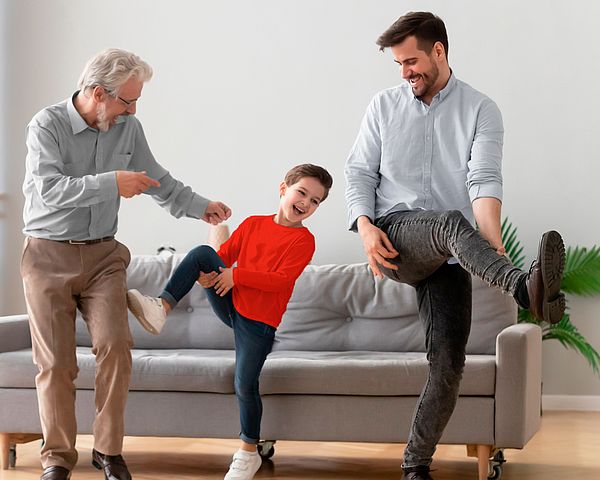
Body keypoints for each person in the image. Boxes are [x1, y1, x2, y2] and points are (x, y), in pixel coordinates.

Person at [344, 12, 565, 480]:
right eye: (399, 65)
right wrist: (364, 227)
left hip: (448, 248)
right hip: (396, 234)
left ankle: (415, 465)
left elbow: (483, 179)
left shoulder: (481, 109)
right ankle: (525, 291)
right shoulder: (383, 106)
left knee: (448, 361)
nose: (405, 73)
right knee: (448, 221)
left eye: (411, 61)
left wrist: (493, 242)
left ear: (439, 51)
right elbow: (359, 172)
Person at [21, 48, 231, 480]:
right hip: (47, 255)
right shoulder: (48, 125)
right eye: (126, 101)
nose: (133, 110)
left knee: (116, 346)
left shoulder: (128, 128)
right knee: (56, 363)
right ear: (98, 93)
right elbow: (49, 191)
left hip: (103, 256)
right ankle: (57, 458)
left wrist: (200, 206)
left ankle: (108, 451)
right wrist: (112, 182)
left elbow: (157, 179)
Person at [127, 163, 333, 480]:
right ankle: (162, 306)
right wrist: (210, 276)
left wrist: (234, 275)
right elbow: (222, 257)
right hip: (232, 304)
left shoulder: (303, 242)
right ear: (284, 189)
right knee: (201, 253)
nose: (306, 203)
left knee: (244, 385)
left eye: (315, 201)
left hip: (258, 323)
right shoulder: (252, 225)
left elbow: (280, 280)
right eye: (302, 192)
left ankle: (249, 452)